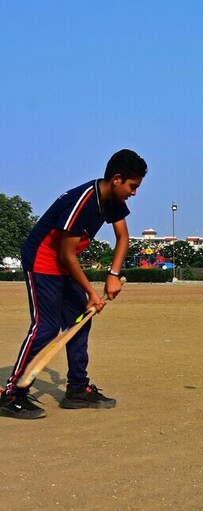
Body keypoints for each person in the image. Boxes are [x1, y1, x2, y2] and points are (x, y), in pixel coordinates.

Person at [0, 149, 147, 419]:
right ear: (117, 179)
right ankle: (11, 395)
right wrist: (92, 292)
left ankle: (77, 389)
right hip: (43, 259)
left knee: (80, 319)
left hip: (65, 263)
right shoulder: (84, 200)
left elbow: (123, 237)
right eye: (132, 186)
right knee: (46, 326)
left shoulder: (112, 200)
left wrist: (113, 274)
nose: (134, 192)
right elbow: (66, 254)